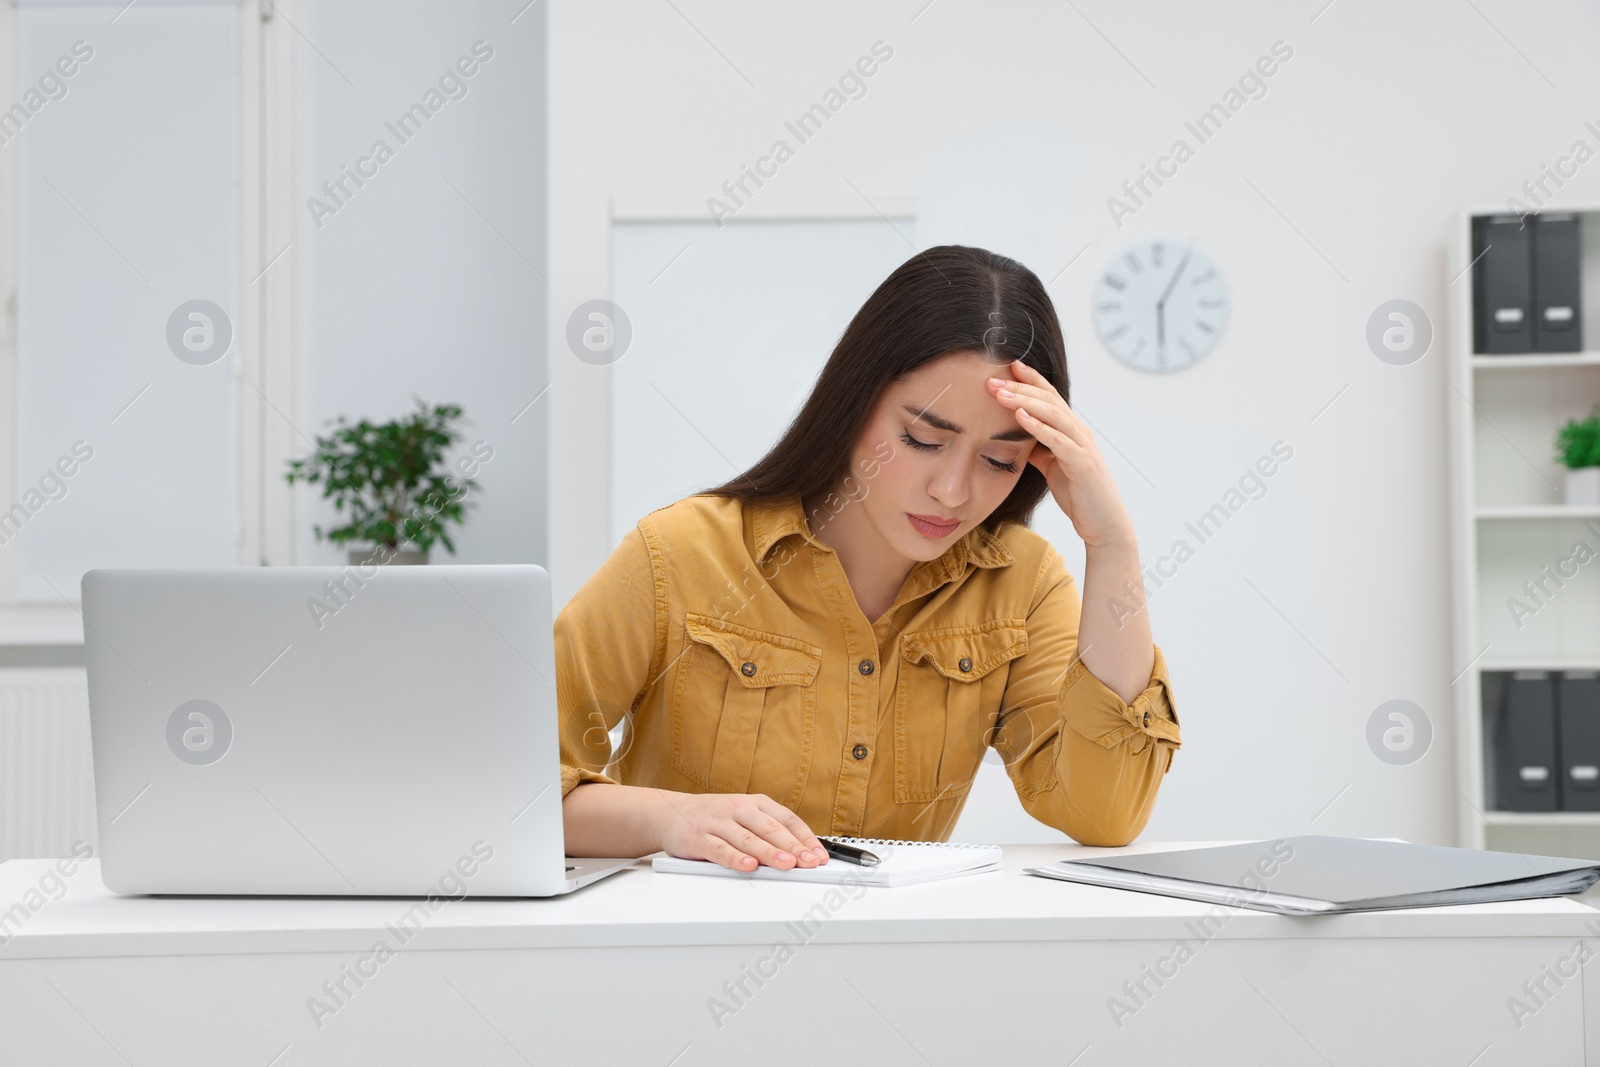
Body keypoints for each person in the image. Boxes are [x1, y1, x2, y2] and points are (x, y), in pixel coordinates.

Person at [557, 244, 1181, 873]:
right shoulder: (680, 553)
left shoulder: (1021, 583)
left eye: (1000, 460)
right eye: (922, 439)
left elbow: (1106, 813)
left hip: (887, 959)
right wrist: (669, 819)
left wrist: (1113, 545)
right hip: (678, 953)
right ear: (854, 403)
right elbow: (511, 797)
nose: (953, 491)